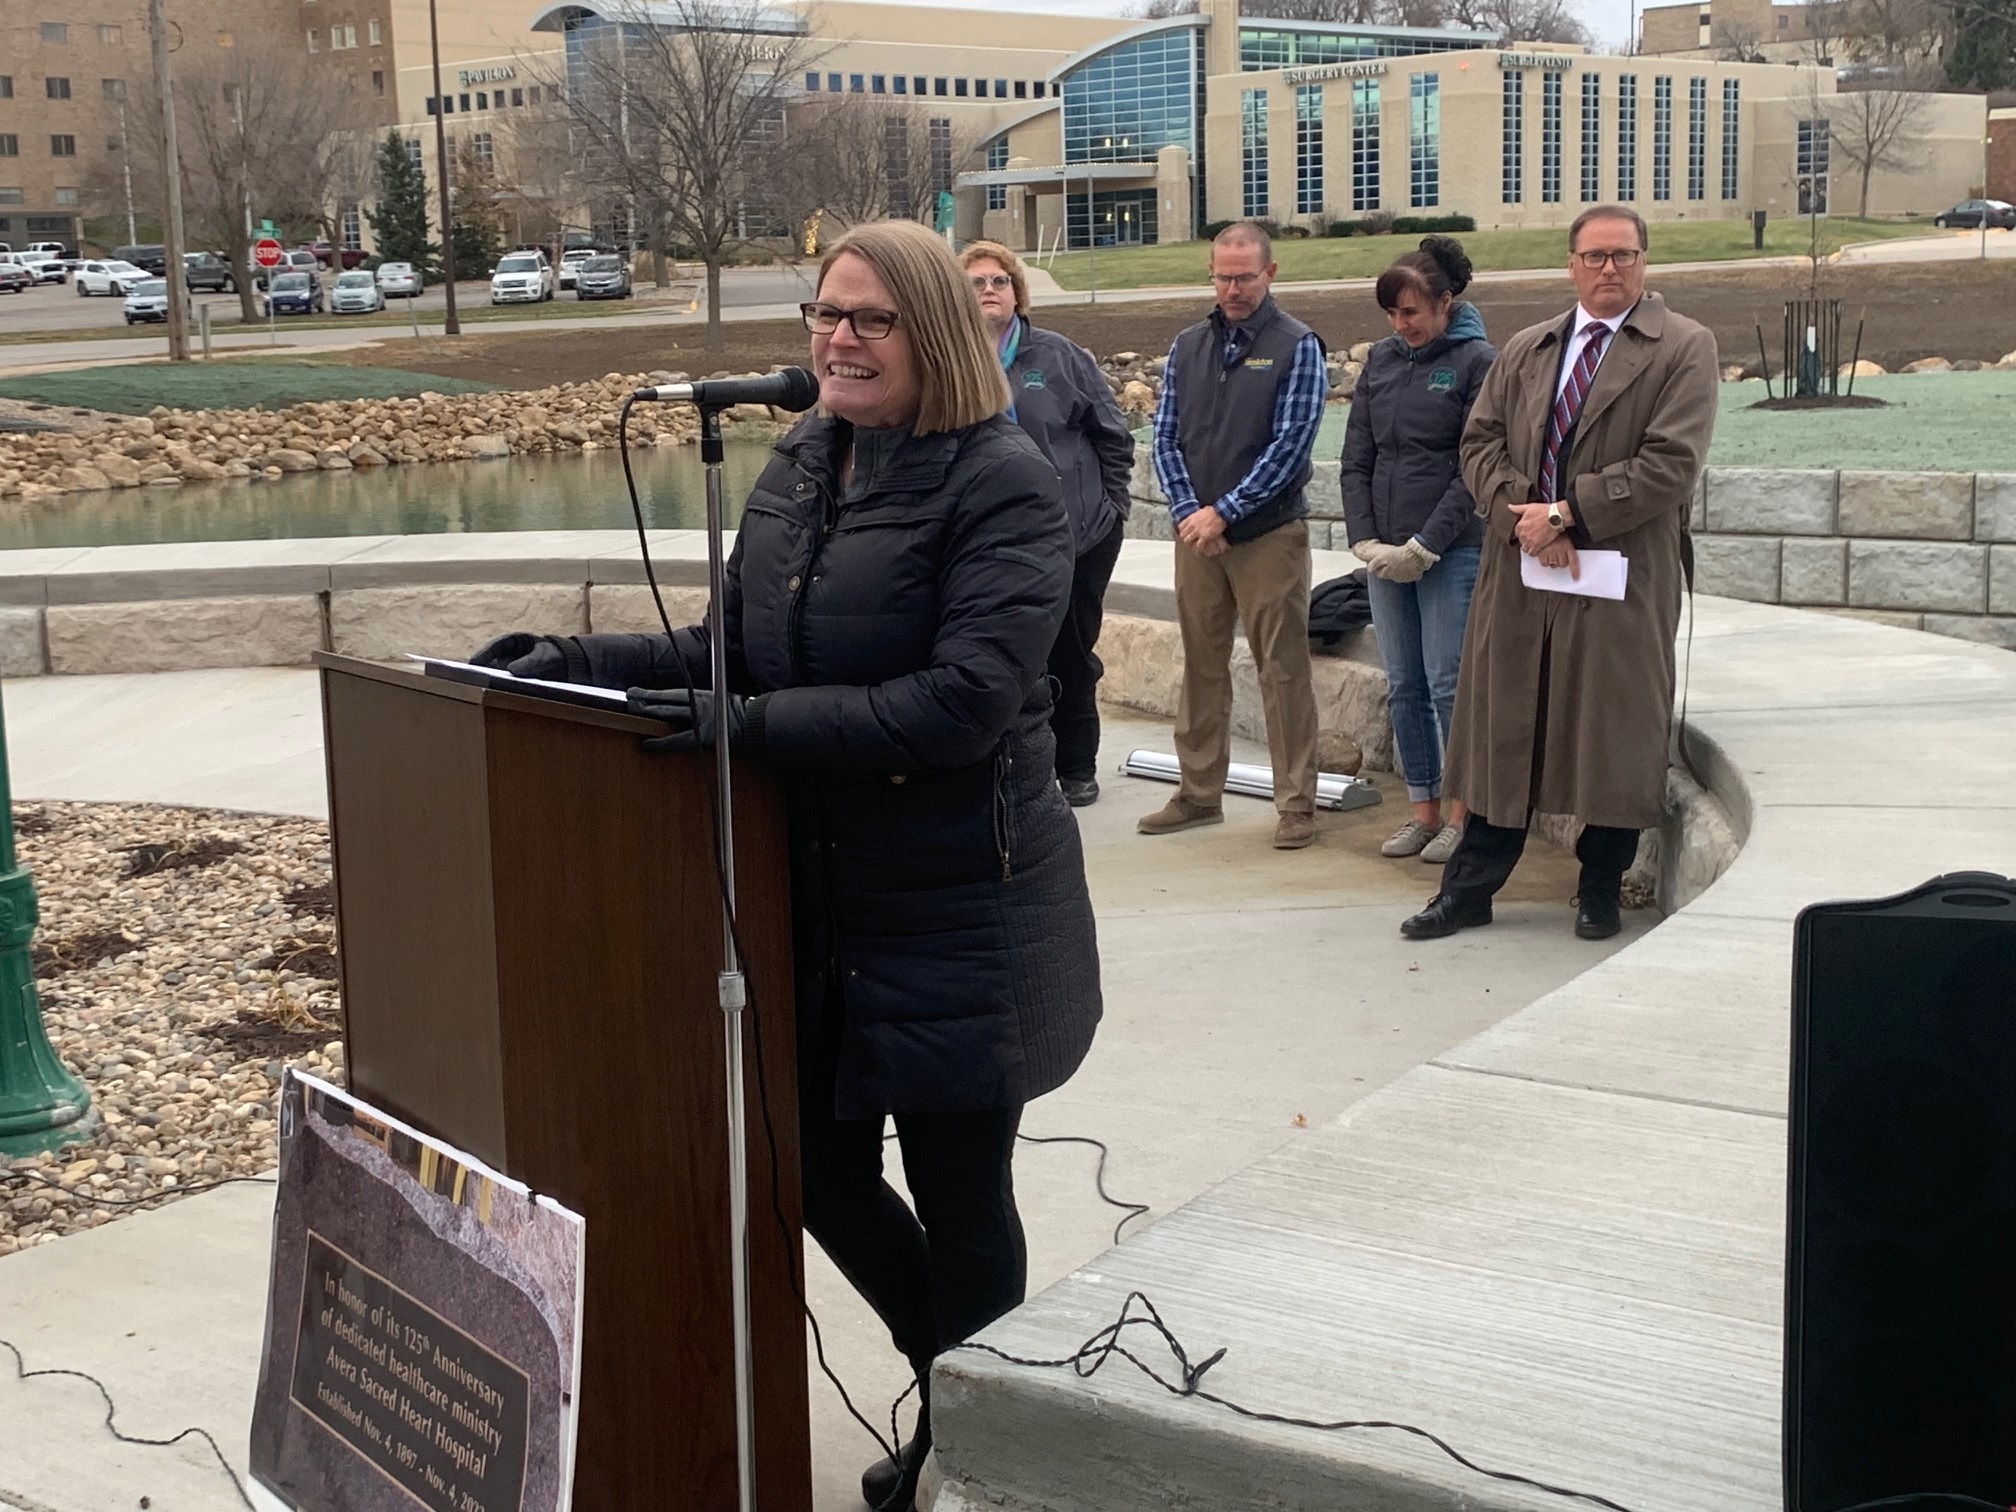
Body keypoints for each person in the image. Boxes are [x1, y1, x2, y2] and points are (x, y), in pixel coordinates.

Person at [469, 219, 1101, 1512]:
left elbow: (962, 703)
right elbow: (736, 648)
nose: (837, 339)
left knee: (962, 1195)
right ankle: (967, 1395)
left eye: (869, 319)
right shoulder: (807, 457)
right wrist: (569, 662)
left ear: (934, 332)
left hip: (965, 906)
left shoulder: (1006, 484)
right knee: (811, 1171)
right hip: (817, 898)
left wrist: (746, 727)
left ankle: (973, 1449)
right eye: (824, 313)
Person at [1403, 205, 1719, 944]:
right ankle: (1469, 890)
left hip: (1618, 574)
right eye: (1595, 256)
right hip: (1524, 570)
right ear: (1572, 264)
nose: (1610, 268)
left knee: (1611, 727)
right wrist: (1525, 518)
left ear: (1644, 261)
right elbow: (1477, 442)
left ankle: (1599, 890)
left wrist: (1568, 514)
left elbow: (1671, 462)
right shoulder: (1528, 347)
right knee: (1504, 725)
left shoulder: (1684, 347)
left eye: (1624, 255)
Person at [1141, 221, 1326, 851]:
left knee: (1283, 670)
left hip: (1267, 535)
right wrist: (1190, 512)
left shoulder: (1297, 345)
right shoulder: (1187, 345)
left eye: (1245, 277)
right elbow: (1164, 436)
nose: (1233, 288)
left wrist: (1226, 512)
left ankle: (1296, 804)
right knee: (1201, 664)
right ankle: (1198, 794)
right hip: (1197, 535)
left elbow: (1290, 445)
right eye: (1222, 276)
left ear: (1270, 273)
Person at [958, 239, 1135, 807]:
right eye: (977, 282)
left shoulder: (1058, 356)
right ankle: (1015, 766)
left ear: (1017, 292)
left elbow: (1113, 436)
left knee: (1069, 654)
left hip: (1078, 537)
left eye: (1000, 281)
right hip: (993, 540)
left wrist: (1111, 507)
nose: (990, 290)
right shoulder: (952, 360)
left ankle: (1076, 766)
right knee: (1001, 654)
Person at [1341, 236, 1495, 869]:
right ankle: (1423, 810)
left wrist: (1427, 544)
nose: (1400, 325)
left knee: (1448, 683)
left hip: (1449, 552)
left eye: (1411, 312)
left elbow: (1475, 467)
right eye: (1391, 313)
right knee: (1403, 684)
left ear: (1444, 302)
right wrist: (1365, 537)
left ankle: (1462, 816)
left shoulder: (1477, 363)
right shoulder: (1381, 361)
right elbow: (1357, 456)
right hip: (1386, 553)